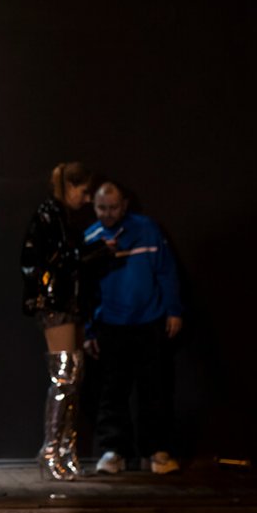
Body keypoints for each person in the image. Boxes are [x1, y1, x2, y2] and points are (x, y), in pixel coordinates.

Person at [82, 181, 184, 474]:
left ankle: (156, 451)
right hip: (111, 325)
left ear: (124, 204)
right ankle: (114, 451)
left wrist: (174, 310)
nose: (109, 213)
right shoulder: (91, 238)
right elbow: (86, 289)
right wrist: (90, 331)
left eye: (114, 207)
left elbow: (166, 271)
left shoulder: (147, 229)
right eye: (102, 208)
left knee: (155, 389)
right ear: (94, 206)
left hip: (149, 321)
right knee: (112, 391)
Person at [20, 161, 109, 480]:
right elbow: (42, 261)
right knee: (63, 375)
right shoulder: (49, 215)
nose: (86, 199)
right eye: (83, 191)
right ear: (70, 186)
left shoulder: (60, 216)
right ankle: (51, 450)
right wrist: (97, 252)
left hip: (68, 302)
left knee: (72, 375)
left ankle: (64, 450)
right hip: (56, 303)